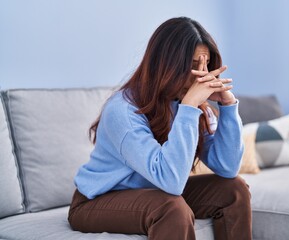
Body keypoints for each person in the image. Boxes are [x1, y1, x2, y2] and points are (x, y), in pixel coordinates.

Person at [68, 17, 252, 240]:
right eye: (194, 66)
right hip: (96, 201)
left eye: (206, 65)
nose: (202, 76)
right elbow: (171, 182)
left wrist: (228, 105)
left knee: (234, 190)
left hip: (154, 193)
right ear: (166, 64)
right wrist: (189, 108)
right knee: (171, 208)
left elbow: (228, 168)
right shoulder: (123, 110)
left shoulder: (189, 107)